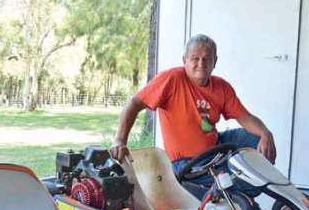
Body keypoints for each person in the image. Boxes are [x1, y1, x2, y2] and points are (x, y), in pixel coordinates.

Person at [110, 34, 276, 197]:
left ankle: (233, 191)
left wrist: (265, 134)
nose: (201, 64)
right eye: (195, 58)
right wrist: (120, 140)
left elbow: (245, 117)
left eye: (206, 59)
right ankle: (228, 196)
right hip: (186, 162)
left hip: (215, 146)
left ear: (215, 62)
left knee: (255, 140)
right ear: (185, 61)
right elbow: (134, 104)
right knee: (238, 177)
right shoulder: (172, 79)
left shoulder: (221, 87)